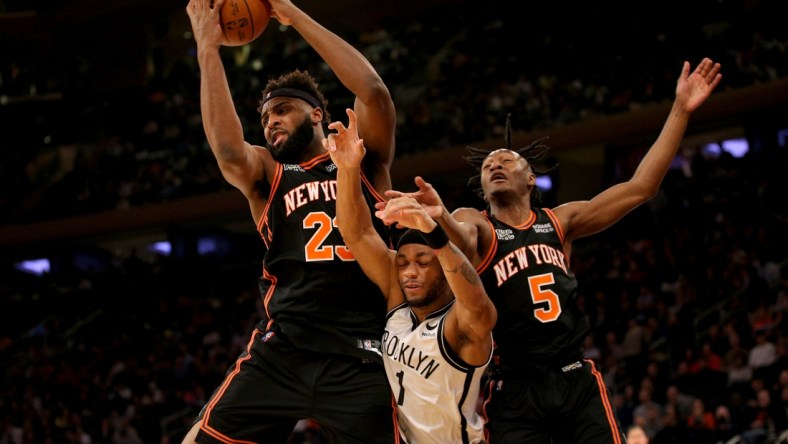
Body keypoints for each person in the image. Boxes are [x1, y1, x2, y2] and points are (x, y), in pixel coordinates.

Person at [378, 57, 722, 443]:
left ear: (531, 178)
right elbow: (456, 240)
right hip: (514, 387)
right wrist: (437, 216)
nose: (496, 164)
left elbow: (641, 187)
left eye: (507, 160)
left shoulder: (562, 221)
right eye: (488, 164)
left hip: (574, 377)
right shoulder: (476, 223)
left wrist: (679, 110)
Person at [182, 0, 398, 442]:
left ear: (317, 113)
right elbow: (227, 151)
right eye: (264, 117)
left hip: (362, 349)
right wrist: (208, 48)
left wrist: (293, 15)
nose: (270, 122)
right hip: (285, 346)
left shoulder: (361, 158)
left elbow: (374, 92)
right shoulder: (267, 173)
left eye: (281, 110)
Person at [323, 107, 497, 443]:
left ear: (443, 268)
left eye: (422, 261)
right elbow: (357, 233)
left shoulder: (462, 325)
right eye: (402, 262)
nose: (409, 272)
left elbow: (477, 303)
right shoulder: (399, 300)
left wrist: (434, 232)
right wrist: (347, 169)